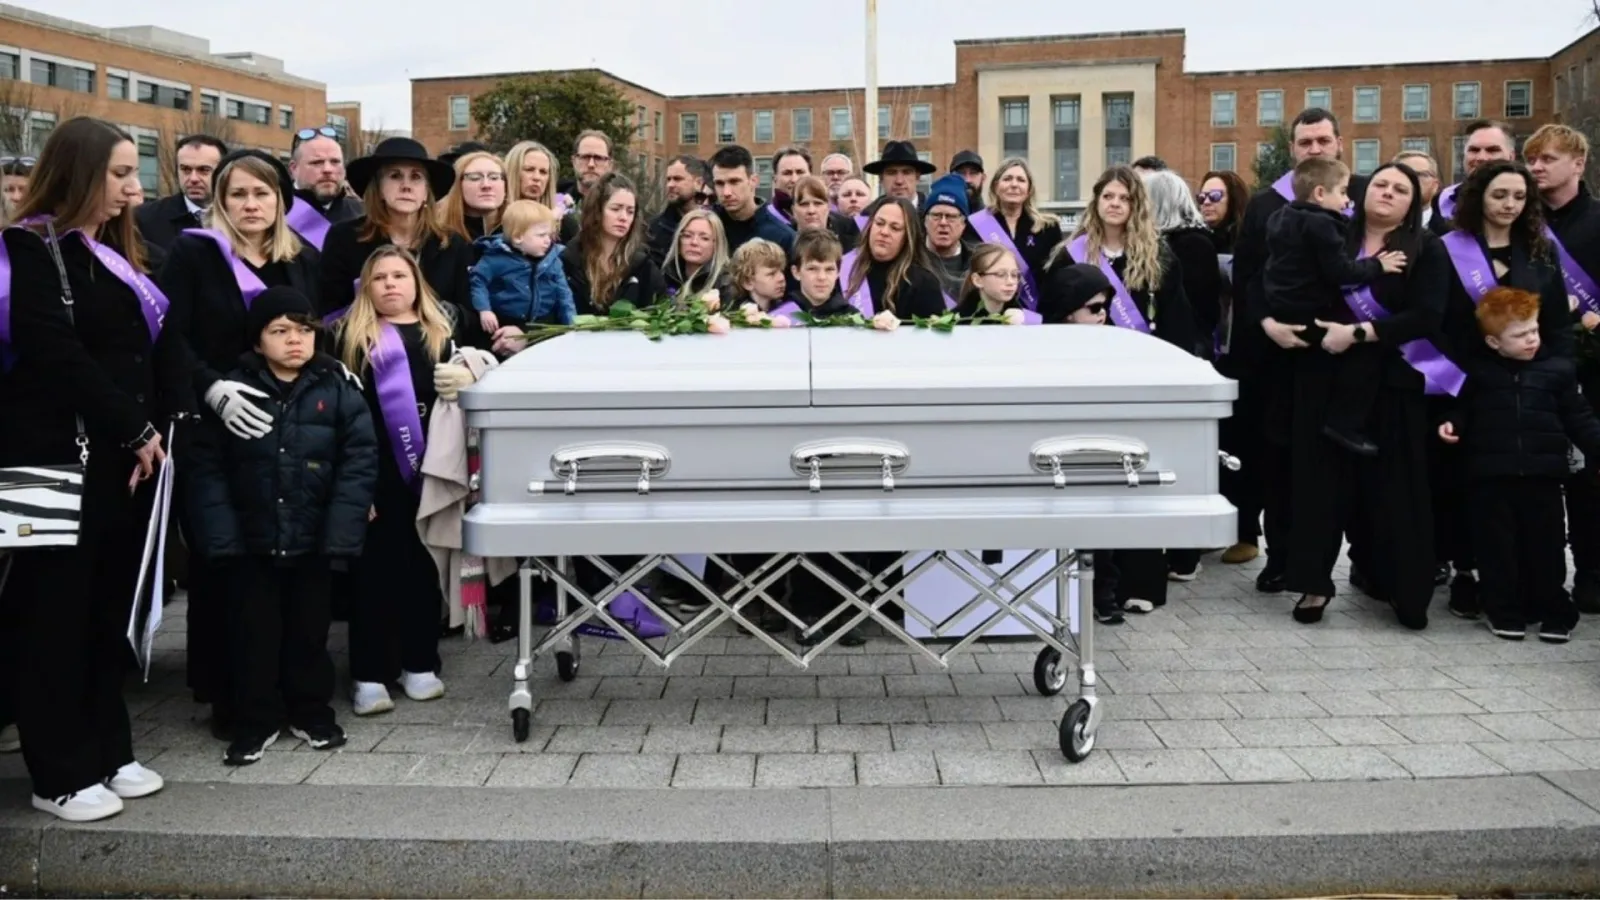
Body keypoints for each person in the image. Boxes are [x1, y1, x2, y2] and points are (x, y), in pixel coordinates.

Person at [0, 117, 192, 822]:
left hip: (118, 464)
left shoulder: (113, 252)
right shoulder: (26, 250)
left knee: (105, 610)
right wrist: (133, 426)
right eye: (119, 173)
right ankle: (57, 772)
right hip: (40, 465)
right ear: (79, 172)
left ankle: (108, 749)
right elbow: (56, 354)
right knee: (49, 617)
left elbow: (150, 347)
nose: (134, 189)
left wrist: (157, 426)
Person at [157, 149, 323, 737]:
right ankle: (227, 692)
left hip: (284, 427)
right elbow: (169, 334)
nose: (251, 205)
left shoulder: (299, 259)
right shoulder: (194, 254)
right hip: (218, 424)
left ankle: (283, 689)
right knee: (226, 559)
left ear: (281, 200)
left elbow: (313, 334)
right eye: (238, 195)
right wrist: (209, 386)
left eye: (262, 193)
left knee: (281, 561)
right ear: (221, 202)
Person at [185, 287, 378, 765]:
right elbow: (206, 469)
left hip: (312, 540)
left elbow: (358, 463)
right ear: (257, 340)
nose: (295, 340)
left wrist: (340, 533)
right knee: (252, 634)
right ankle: (255, 719)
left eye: (304, 330)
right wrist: (221, 538)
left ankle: (311, 712)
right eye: (280, 331)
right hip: (252, 542)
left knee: (309, 632)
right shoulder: (232, 392)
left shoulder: (338, 388)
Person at [1264, 161, 1448, 629]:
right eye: (1381, 183)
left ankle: (1401, 588)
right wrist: (1267, 321)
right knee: (1319, 487)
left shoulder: (1425, 248)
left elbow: (1428, 315)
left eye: (1401, 189)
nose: (1388, 192)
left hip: (1391, 382)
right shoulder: (1329, 231)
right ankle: (1313, 584)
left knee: (1396, 490)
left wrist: (1361, 332)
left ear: (1414, 203)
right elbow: (1270, 277)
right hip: (1323, 377)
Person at [333, 246, 479, 716]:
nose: (390, 284)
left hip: (430, 476)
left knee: (423, 571)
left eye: (399, 275)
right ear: (366, 287)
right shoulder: (351, 339)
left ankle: (420, 661)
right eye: (379, 278)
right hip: (374, 475)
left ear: (417, 282)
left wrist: (470, 374)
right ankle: (369, 673)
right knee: (372, 577)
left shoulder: (441, 335)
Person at [1438, 286, 1600, 644]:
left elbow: (1580, 419)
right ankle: (1503, 610)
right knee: (1496, 549)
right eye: (1520, 334)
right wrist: (1453, 424)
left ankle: (1554, 611)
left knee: (1547, 547)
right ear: (1493, 342)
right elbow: (1463, 409)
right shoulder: (1478, 372)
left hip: (1543, 477)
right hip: (1491, 477)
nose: (1531, 339)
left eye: (1534, 330)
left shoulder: (1558, 371)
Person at [1264, 157, 1406, 457]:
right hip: (1311, 312)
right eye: (1342, 192)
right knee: (1364, 359)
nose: (1347, 201)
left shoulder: (1280, 216)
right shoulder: (1323, 224)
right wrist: (1378, 265)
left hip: (1280, 307)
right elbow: (1341, 271)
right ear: (1319, 193)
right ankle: (1344, 424)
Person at [317, 138, 476, 344]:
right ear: (378, 188)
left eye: (416, 177)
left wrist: (450, 313)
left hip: (441, 350)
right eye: (395, 176)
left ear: (427, 192)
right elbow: (330, 310)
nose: (406, 186)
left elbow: (471, 313)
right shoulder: (345, 238)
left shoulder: (452, 243)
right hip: (368, 350)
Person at [1038, 262, 1124, 624]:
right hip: (1051, 452)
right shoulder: (1039, 347)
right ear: (1069, 311)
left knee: (1099, 525)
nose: (1103, 314)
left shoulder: (1114, 346)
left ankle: (1102, 594)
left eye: (1106, 306)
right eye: (1094, 307)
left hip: (1096, 449)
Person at [470, 199, 574, 336]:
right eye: (541, 235)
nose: (548, 240)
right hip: (503, 323)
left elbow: (564, 295)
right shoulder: (496, 258)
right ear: (518, 237)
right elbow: (478, 281)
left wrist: (571, 326)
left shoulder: (553, 261)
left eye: (549, 235)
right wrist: (484, 309)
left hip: (542, 324)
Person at [842, 196, 948, 320]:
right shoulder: (842, 269)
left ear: (908, 237)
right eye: (879, 223)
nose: (884, 232)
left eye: (895, 228)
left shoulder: (923, 284)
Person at [136, 134, 228, 251]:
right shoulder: (146, 219)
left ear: (223, 173)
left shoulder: (240, 218)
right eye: (186, 169)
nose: (193, 178)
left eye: (204, 170)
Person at [774, 228, 853, 320]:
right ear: (796, 272)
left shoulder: (853, 319)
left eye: (829, 269)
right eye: (812, 269)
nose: (822, 277)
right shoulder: (779, 317)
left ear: (838, 272)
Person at [956, 243, 1036, 323]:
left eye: (1014, 275)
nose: (1010, 282)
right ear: (977, 280)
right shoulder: (956, 322)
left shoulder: (1027, 320)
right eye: (1000, 274)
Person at [924, 173, 974, 299]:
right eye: (936, 215)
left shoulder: (977, 264)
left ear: (963, 224)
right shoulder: (908, 259)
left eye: (951, 217)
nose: (943, 222)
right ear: (925, 221)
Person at [729, 238, 789, 311]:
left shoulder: (787, 309)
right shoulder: (738, 315)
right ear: (748, 282)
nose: (781, 278)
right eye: (771, 274)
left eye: (782, 271)